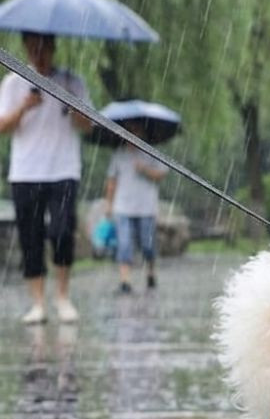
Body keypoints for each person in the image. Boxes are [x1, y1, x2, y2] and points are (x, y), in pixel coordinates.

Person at [0, 32, 92, 324]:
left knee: (63, 231)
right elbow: (2, 125)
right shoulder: (13, 82)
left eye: (44, 48)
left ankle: (62, 296)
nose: (39, 54)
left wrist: (74, 108)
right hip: (26, 172)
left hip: (63, 170)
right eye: (33, 48)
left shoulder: (72, 82)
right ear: (26, 48)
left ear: (53, 48)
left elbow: (88, 125)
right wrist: (24, 108)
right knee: (31, 238)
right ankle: (37, 302)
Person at [104, 125, 168, 293]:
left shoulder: (151, 152)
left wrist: (144, 169)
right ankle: (125, 281)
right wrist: (109, 205)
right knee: (124, 244)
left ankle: (151, 273)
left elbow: (162, 174)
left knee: (147, 245)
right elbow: (111, 181)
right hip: (123, 207)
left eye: (136, 131)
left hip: (146, 208)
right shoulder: (119, 155)